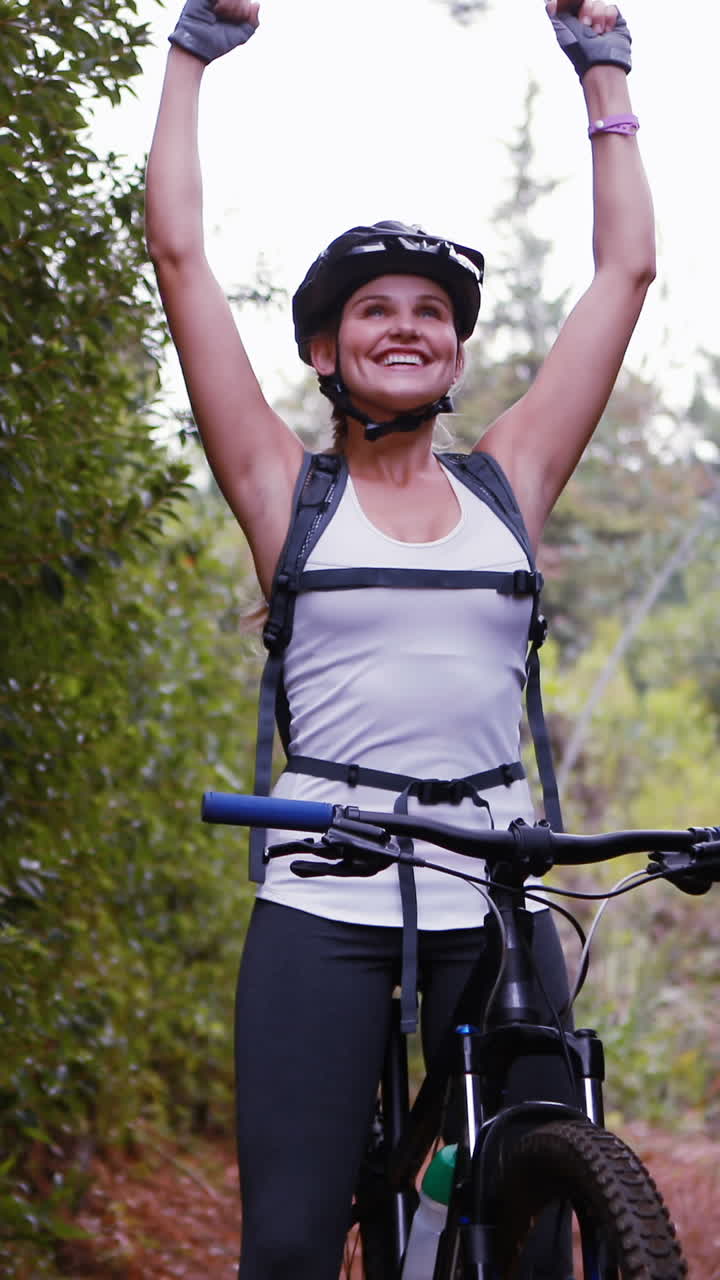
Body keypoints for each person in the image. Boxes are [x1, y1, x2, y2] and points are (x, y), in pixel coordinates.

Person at [146, 2, 654, 1275]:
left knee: (537, 1220)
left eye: (432, 310)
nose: (408, 325)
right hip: (324, 876)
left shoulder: (510, 483)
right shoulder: (284, 491)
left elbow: (625, 276)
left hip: (490, 872)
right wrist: (193, 50)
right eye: (376, 308)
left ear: (455, 349)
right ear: (326, 348)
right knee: (296, 1239)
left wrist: (605, 68)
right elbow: (180, 258)